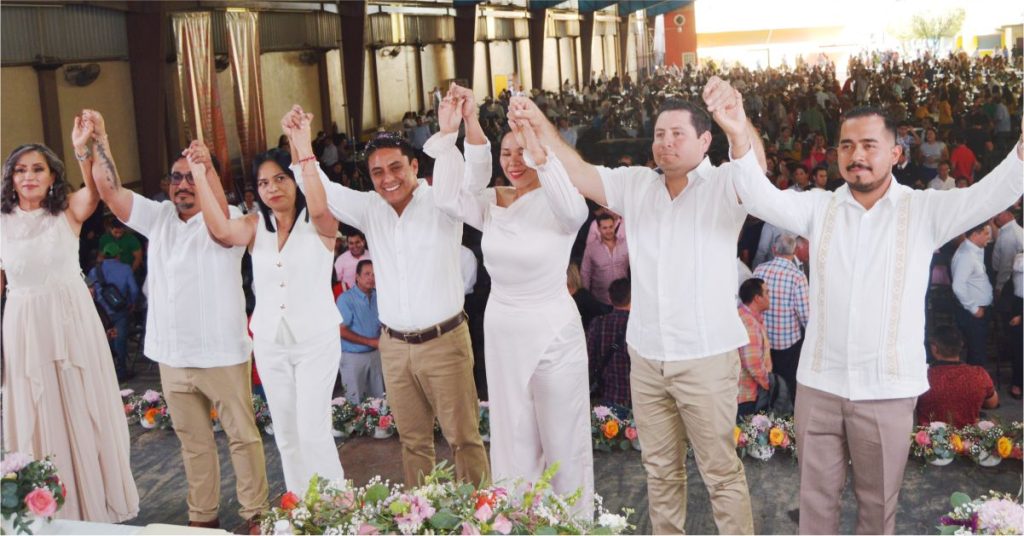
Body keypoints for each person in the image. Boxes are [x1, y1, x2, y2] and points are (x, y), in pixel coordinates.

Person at [730, 94, 1023, 533]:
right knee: (815, 507)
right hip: (820, 386)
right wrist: (737, 130)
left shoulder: (923, 211)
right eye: (847, 146)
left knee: (877, 509)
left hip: (886, 390)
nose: (857, 156)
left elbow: (991, 193)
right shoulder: (819, 208)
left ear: (897, 153)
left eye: (869, 144)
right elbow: (757, 195)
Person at [510, 87, 758, 534]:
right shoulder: (636, 186)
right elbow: (576, 169)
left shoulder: (726, 185)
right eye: (660, 133)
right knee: (660, 472)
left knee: (720, 473)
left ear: (705, 141)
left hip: (704, 358)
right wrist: (536, 119)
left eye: (677, 134)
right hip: (646, 358)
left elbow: (753, 166)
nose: (665, 142)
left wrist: (739, 124)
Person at [295, 83, 489, 487]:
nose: (387, 179)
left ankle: (479, 518)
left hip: (445, 343)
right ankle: (420, 516)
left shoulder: (442, 201)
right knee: (413, 442)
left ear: (414, 167)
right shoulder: (369, 210)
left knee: (463, 440)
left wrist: (459, 126)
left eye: (396, 168)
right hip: (395, 348)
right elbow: (323, 194)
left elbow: (475, 178)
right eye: (378, 172)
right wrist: (301, 148)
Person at [91, 112, 268, 531]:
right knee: (193, 443)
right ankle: (202, 517)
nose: (184, 184)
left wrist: (206, 172)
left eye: (194, 177)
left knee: (242, 438)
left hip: (221, 353)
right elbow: (110, 190)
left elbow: (220, 229)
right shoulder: (159, 218)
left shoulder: (230, 218)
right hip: (172, 356)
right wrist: (100, 138)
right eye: (177, 177)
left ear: (210, 181)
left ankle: (257, 514)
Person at [446, 97, 594, 516]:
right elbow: (449, 196)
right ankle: (519, 519)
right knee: (513, 436)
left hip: (551, 330)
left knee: (562, 437)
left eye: (523, 152)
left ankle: (572, 522)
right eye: (506, 152)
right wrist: (463, 127)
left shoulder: (559, 203)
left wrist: (540, 149)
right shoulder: (492, 201)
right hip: (503, 328)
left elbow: (575, 209)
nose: (515, 161)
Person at [190, 108, 346, 496]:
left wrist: (301, 145)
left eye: (280, 178)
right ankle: (302, 507)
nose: (273, 188)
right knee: (287, 435)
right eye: (264, 183)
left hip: (315, 340)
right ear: (256, 191)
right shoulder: (255, 225)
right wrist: (199, 175)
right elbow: (222, 231)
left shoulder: (322, 223)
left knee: (313, 431)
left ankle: (337, 507)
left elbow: (320, 202)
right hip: (271, 342)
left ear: (293, 181)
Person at [1, 114, 139, 522]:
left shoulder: (68, 213)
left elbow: (96, 190)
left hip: (71, 321)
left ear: (52, 177)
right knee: (34, 412)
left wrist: (85, 146)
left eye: (38, 169)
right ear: (10, 179)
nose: (29, 176)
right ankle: (44, 504)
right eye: (21, 170)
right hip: (23, 326)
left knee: (83, 406)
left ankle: (92, 502)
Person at [752, 233, 809, 404]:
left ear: (773, 249)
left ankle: (762, 421)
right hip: (787, 346)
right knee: (786, 387)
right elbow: (806, 315)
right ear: (793, 251)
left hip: (762, 342)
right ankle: (784, 422)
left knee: (765, 385)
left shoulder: (759, 270)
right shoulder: (797, 276)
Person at [916, 327, 998, 427]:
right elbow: (992, 403)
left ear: (934, 348)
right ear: (961, 345)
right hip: (968, 439)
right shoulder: (979, 374)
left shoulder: (922, 376)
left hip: (929, 440)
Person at [89, 242, 140, 381]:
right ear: (118, 255)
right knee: (120, 339)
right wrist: (131, 304)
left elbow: (89, 292)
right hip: (120, 310)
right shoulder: (126, 269)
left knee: (104, 340)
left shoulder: (95, 271)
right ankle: (121, 371)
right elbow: (134, 290)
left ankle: (107, 372)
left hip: (101, 313)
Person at [336, 259, 385, 404]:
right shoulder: (346, 299)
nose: (371, 278)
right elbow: (341, 330)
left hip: (376, 355)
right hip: (353, 358)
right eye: (367, 274)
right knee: (354, 402)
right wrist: (371, 341)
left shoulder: (378, 296)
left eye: (374, 274)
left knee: (379, 401)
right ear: (357, 277)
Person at [951, 222, 994, 366]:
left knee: (977, 351)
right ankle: (977, 386)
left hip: (978, 311)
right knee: (978, 354)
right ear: (975, 234)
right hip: (972, 314)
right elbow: (958, 286)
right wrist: (974, 309)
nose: (990, 237)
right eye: (986, 234)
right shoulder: (966, 255)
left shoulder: (974, 249)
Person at [587, 278, 632, 408]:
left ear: (610, 298)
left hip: (608, 395)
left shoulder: (598, 323)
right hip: (636, 396)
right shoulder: (638, 325)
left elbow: (590, 359)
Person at [736, 278, 772, 418]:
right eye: (767, 293)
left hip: (744, 393)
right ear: (757, 298)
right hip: (747, 396)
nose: (770, 297)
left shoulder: (744, 315)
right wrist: (770, 385)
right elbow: (753, 363)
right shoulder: (750, 323)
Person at [581, 213, 629, 305]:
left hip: (624, 300)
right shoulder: (591, 248)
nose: (609, 231)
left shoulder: (625, 245)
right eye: (605, 228)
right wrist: (586, 298)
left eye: (611, 227)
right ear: (598, 229)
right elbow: (585, 273)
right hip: (600, 300)